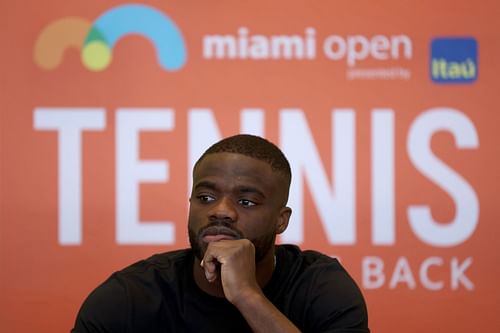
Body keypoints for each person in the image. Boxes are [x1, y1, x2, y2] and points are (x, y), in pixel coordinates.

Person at [72, 134, 370, 333]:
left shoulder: (321, 288)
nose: (221, 211)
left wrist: (247, 295)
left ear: (281, 221)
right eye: (205, 197)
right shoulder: (130, 297)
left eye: (246, 201)